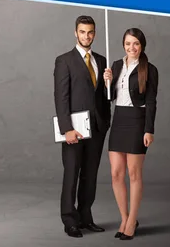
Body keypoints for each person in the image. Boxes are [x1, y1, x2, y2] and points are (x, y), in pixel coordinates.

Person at [53, 15, 112, 238]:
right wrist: (66, 128)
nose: (87, 36)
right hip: (74, 129)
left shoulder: (102, 60)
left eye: (90, 32)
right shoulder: (64, 60)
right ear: (75, 33)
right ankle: (69, 220)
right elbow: (61, 97)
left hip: (96, 127)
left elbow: (108, 96)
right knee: (72, 174)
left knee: (90, 175)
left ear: (94, 33)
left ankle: (86, 217)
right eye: (82, 32)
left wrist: (109, 83)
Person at [103, 28, 159, 240]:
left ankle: (132, 221)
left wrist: (149, 129)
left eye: (135, 43)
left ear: (142, 45)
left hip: (137, 121)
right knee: (116, 173)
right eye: (128, 43)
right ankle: (126, 218)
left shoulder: (149, 69)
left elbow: (152, 101)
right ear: (123, 45)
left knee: (134, 174)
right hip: (119, 120)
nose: (132, 48)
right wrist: (106, 81)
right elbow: (109, 98)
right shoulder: (117, 65)